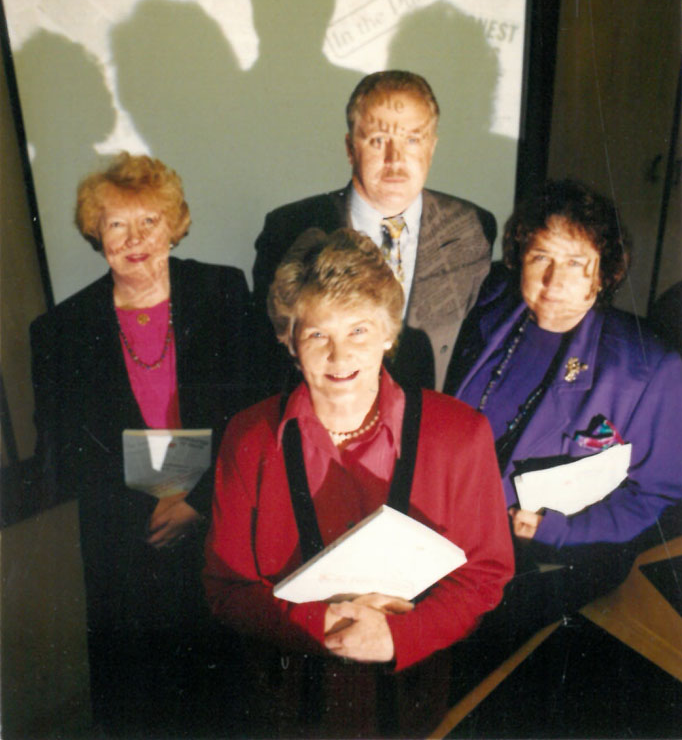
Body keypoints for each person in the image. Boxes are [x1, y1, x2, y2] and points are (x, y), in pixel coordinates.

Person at [204, 228, 513, 739]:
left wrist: (399, 635)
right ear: (289, 339)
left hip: (415, 707)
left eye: (359, 331)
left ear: (390, 333)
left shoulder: (459, 433)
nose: (339, 355)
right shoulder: (250, 437)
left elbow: (485, 575)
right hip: (291, 710)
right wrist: (320, 626)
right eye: (317, 334)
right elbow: (227, 587)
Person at [30, 153, 251, 737]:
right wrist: (153, 507)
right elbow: (61, 453)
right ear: (95, 234)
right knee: (144, 709)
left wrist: (195, 501)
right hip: (127, 549)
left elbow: (255, 418)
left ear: (174, 225)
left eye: (149, 221)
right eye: (116, 225)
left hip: (219, 525)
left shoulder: (223, 291)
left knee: (225, 702)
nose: (135, 240)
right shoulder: (61, 329)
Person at [446, 179, 682, 677]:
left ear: (607, 272)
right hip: (454, 523)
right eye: (540, 258)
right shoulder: (494, 310)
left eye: (577, 264)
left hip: (550, 555)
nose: (554, 283)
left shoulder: (648, 367)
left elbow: (654, 498)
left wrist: (560, 527)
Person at [253, 70, 496, 396]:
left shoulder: (472, 229)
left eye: (412, 139)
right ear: (350, 148)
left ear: (432, 147)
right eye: (378, 140)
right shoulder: (288, 229)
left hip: (429, 432)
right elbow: (271, 361)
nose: (395, 160)